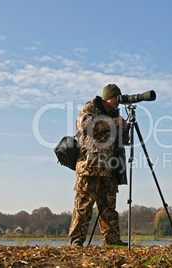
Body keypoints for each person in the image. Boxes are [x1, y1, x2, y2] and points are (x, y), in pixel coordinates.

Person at [68, 84, 129, 247]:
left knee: (109, 206)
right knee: (83, 205)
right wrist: (112, 122)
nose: (118, 101)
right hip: (90, 166)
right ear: (108, 97)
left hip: (110, 168)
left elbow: (122, 141)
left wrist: (124, 128)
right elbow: (86, 127)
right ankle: (76, 240)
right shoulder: (90, 108)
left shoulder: (115, 114)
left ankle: (112, 240)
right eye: (116, 97)